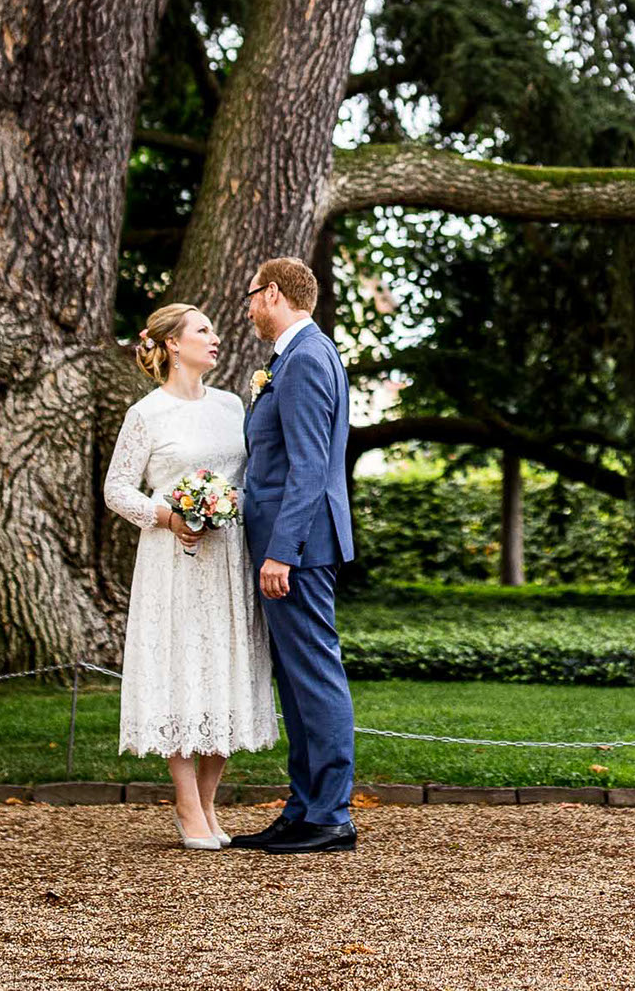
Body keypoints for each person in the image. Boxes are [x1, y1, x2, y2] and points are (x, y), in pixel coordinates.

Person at [103, 302, 276, 851]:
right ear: (173, 344)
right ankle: (184, 802)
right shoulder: (146, 414)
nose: (216, 337)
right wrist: (171, 516)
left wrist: (226, 507)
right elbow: (117, 489)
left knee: (225, 667)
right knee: (182, 669)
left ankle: (207, 801)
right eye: (203, 330)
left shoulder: (231, 406)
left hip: (229, 556)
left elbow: (250, 474)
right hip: (173, 560)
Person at [224, 256, 360, 855]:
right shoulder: (306, 355)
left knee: (314, 674)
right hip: (294, 543)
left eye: (252, 296)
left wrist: (282, 552)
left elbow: (308, 468)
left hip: (297, 548)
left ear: (273, 293)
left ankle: (329, 814)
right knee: (297, 678)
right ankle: (304, 808)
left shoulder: (304, 360)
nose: (249, 308)